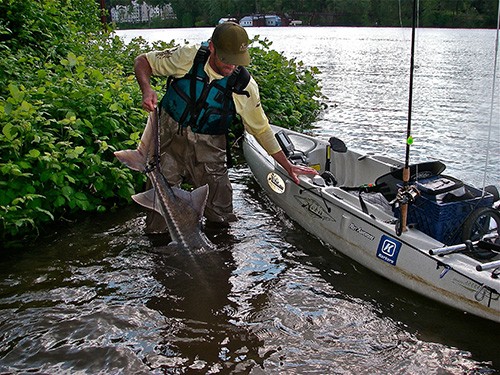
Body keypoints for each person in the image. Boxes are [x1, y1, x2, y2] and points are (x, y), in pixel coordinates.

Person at [133, 21, 317, 233]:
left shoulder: (244, 86)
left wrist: (288, 166)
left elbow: (261, 129)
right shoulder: (187, 56)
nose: (232, 67)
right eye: (226, 60)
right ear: (212, 47)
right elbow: (143, 61)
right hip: (169, 140)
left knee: (221, 218)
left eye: (237, 62)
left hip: (210, 147)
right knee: (158, 216)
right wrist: (146, 89)